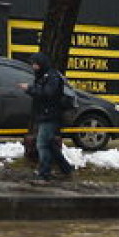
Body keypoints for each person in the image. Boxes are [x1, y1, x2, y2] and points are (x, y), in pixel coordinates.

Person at [22, 52, 73, 181]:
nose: (33, 66)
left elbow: (48, 93)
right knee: (50, 144)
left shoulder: (52, 76)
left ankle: (44, 172)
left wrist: (29, 89)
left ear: (41, 63)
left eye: (35, 64)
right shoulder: (43, 76)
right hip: (45, 114)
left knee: (42, 144)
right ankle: (65, 168)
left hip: (50, 115)